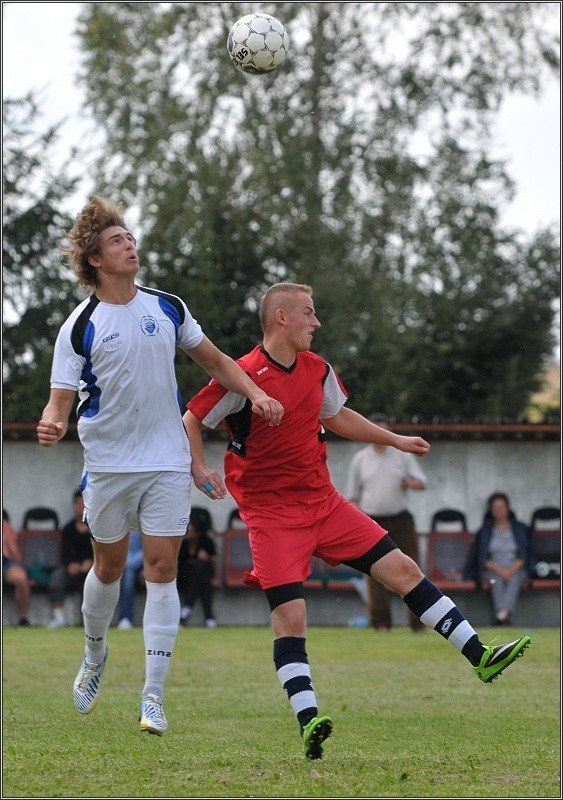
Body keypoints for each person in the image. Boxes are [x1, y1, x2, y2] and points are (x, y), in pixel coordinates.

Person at [183, 281, 532, 761]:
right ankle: (310, 722)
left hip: (324, 504)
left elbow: (339, 417)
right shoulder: (242, 376)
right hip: (272, 516)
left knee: (405, 570)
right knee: (292, 619)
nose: (316, 322)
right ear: (282, 318)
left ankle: (482, 657)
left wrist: (395, 440)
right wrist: (199, 468)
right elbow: (191, 420)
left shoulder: (317, 369)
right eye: (309, 312)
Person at [36, 196, 283, 736]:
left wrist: (257, 394)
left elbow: (217, 361)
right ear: (95, 259)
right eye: (117, 240)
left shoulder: (167, 307)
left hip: (168, 461)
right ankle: (95, 656)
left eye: (130, 236)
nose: (130, 245)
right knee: (106, 568)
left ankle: (153, 697)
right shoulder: (80, 326)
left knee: (163, 571)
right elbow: (59, 400)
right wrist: (53, 422)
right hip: (108, 465)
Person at [346, 412, 427, 632]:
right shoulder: (360, 459)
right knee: (373, 572)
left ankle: (418, 624)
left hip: (401, 518)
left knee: (411, 569)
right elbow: (352, 497)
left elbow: (422, 482)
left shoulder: (402, 456)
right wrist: (359, 519)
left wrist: (410, 483)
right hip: (372, 520)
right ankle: (381, 623)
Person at [464, 492, 535, 625]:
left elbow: (527, 554)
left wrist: (511, 569)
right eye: (495, 508)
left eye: (501, 507)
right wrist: (499, 570)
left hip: (517, 569)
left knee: (514, 579)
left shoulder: (520, 529)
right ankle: (504, 614)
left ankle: (500, 615)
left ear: (508, 508)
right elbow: (479, 557)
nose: (499, 511)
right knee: (494, 580)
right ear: (491, 510)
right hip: (492, 570)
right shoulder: (484, 531)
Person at [46, 489, 94, 628]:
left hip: (92, 569)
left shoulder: (95, 528)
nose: (81, 506)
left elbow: (102, 552)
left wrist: (92, 562)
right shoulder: (68, 529)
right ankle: (59, 618)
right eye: (79, 503)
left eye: (84, 503)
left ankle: (90, 622)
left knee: (98, 581)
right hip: (72, 570)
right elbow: (64, 554)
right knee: (56, 576)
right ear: (74, 505)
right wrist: (69, 565)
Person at [177, 507, 217, 628]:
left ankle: (187, 609)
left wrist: (207, 558)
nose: (187, 528)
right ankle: (209, 618)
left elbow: (214, 560)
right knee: (201, 576)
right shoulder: (180, 543)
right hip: (182, 578)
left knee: (201, 570)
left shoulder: (206, 542)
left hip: (199, 579)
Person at [2, 508, 31, 626]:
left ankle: (23, 618)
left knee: (21, 577)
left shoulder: (4, 525)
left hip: (4, 562)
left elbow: (17, 556)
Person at [116, 530, 144, 629]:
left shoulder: (141, 523)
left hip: (140, 565)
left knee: (129, 576)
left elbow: (147, 550)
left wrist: (127, 563)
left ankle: (126, 618)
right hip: (118, 564)